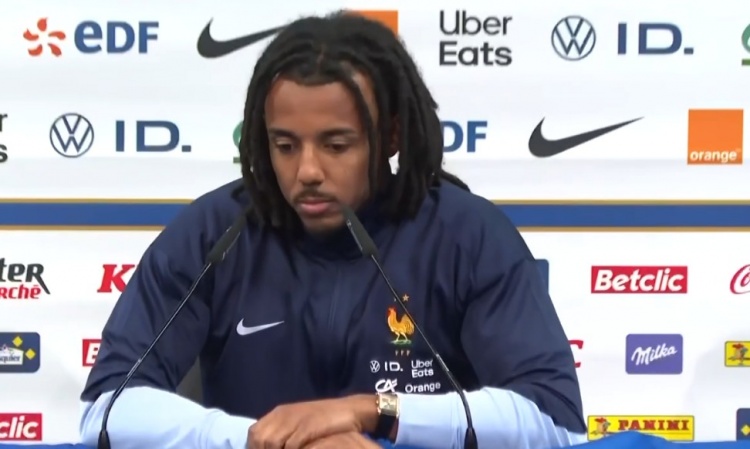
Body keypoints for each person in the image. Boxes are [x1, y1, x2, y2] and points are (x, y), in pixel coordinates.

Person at [79, 10, 586, 449]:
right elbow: (106, 412)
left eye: (336, 145)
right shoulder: (213, 234)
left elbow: (556, 424)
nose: (307, 171)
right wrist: (263, 439)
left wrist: (374, 413)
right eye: (284, 145)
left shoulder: (467, 236)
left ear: (390, 135)